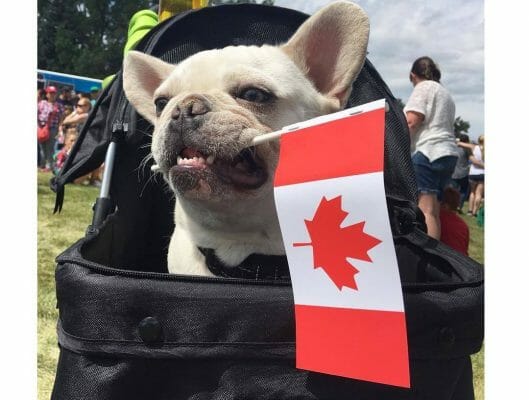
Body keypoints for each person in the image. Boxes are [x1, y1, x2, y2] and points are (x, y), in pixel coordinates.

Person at [404, 56, 459, 240]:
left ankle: (426, 251)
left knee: (425, 210)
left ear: (413, 75)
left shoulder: (423, 87)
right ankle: (435, 248)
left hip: (428, 152)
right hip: (448, 153)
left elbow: (412, 121)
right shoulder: (445, 94)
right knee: (434, 211)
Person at [37, 86, 65, 171]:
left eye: (54, 93)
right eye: (50, 93)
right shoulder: (41, 103)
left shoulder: (59, 105)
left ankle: (49, 166)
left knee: (50, 147)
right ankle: (42, 165)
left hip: (52, 128)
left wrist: (60, 129)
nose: (52, 95)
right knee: (42, 147)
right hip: (41, 128)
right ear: (47, 94)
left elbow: (61, 118)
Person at [458, 135, 485, 216]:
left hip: (473, 173)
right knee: (479, 193)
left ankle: (469, 211)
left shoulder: (474, 147)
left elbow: (459, 143)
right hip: (483, 173)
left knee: (472, 192)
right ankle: (474, 212)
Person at [439, 186, 469, 256]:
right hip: (461, 259)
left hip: (445, 257)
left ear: (445, 206)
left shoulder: (439, 218)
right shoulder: (463, 225)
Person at [451, 133, 472, 212]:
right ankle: (459, 206)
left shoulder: (454, 148)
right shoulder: (467, 149)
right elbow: (471, 159)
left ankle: (452, 205)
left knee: (453, 191)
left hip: (453, 172)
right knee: (463, 191)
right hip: (464, 172)